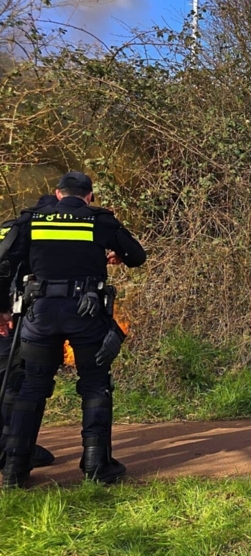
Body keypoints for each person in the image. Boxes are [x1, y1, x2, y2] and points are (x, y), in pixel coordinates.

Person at [0, 172, 146, 488]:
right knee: (95, 385)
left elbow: (3, 261)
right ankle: (96, 467)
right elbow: (137, 256)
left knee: (32, 387)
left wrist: (2, 309)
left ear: (57, 193)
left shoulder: (31, 219)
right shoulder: (99, 220)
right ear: (89, 196)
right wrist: (111, 252)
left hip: (41, 314)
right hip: (86, 312)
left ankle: (14, 469)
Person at [0, 195, 59, 471]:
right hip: (9, 316)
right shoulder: (34, 228)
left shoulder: (10, 225)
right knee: (15, 378)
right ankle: (12, 447)